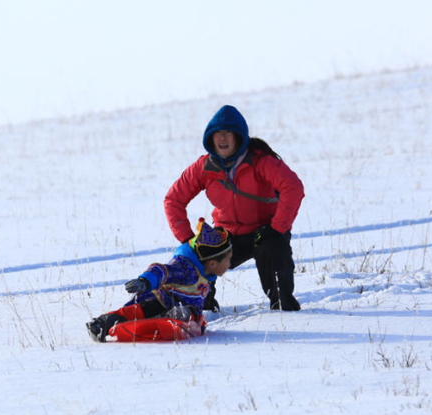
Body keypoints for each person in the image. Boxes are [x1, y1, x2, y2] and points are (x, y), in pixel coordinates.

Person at [164, 105, 304, 311]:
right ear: (210, 138)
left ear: (238, 136)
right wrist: (187, 239)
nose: (222, 138)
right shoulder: (204, 168)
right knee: (195, 256)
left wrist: (277, 228)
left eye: (228, 133)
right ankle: (200, 305)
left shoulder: (260, 161)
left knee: (273, 248)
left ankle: (283, 306)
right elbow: (173, 199)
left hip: (265, 232)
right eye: (217, 134)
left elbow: (293, 187)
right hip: (227, 235)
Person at [86, 219, 233, 342]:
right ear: (212, 263)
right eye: (228, 260)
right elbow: (162, 270)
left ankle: (175, 317)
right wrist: (145, 281)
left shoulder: (206, 277)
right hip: (157, 301)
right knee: (135, 312)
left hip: (185, 312)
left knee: (189, 312)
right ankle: (101, 325)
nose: (230, 264)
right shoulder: (185, 267)